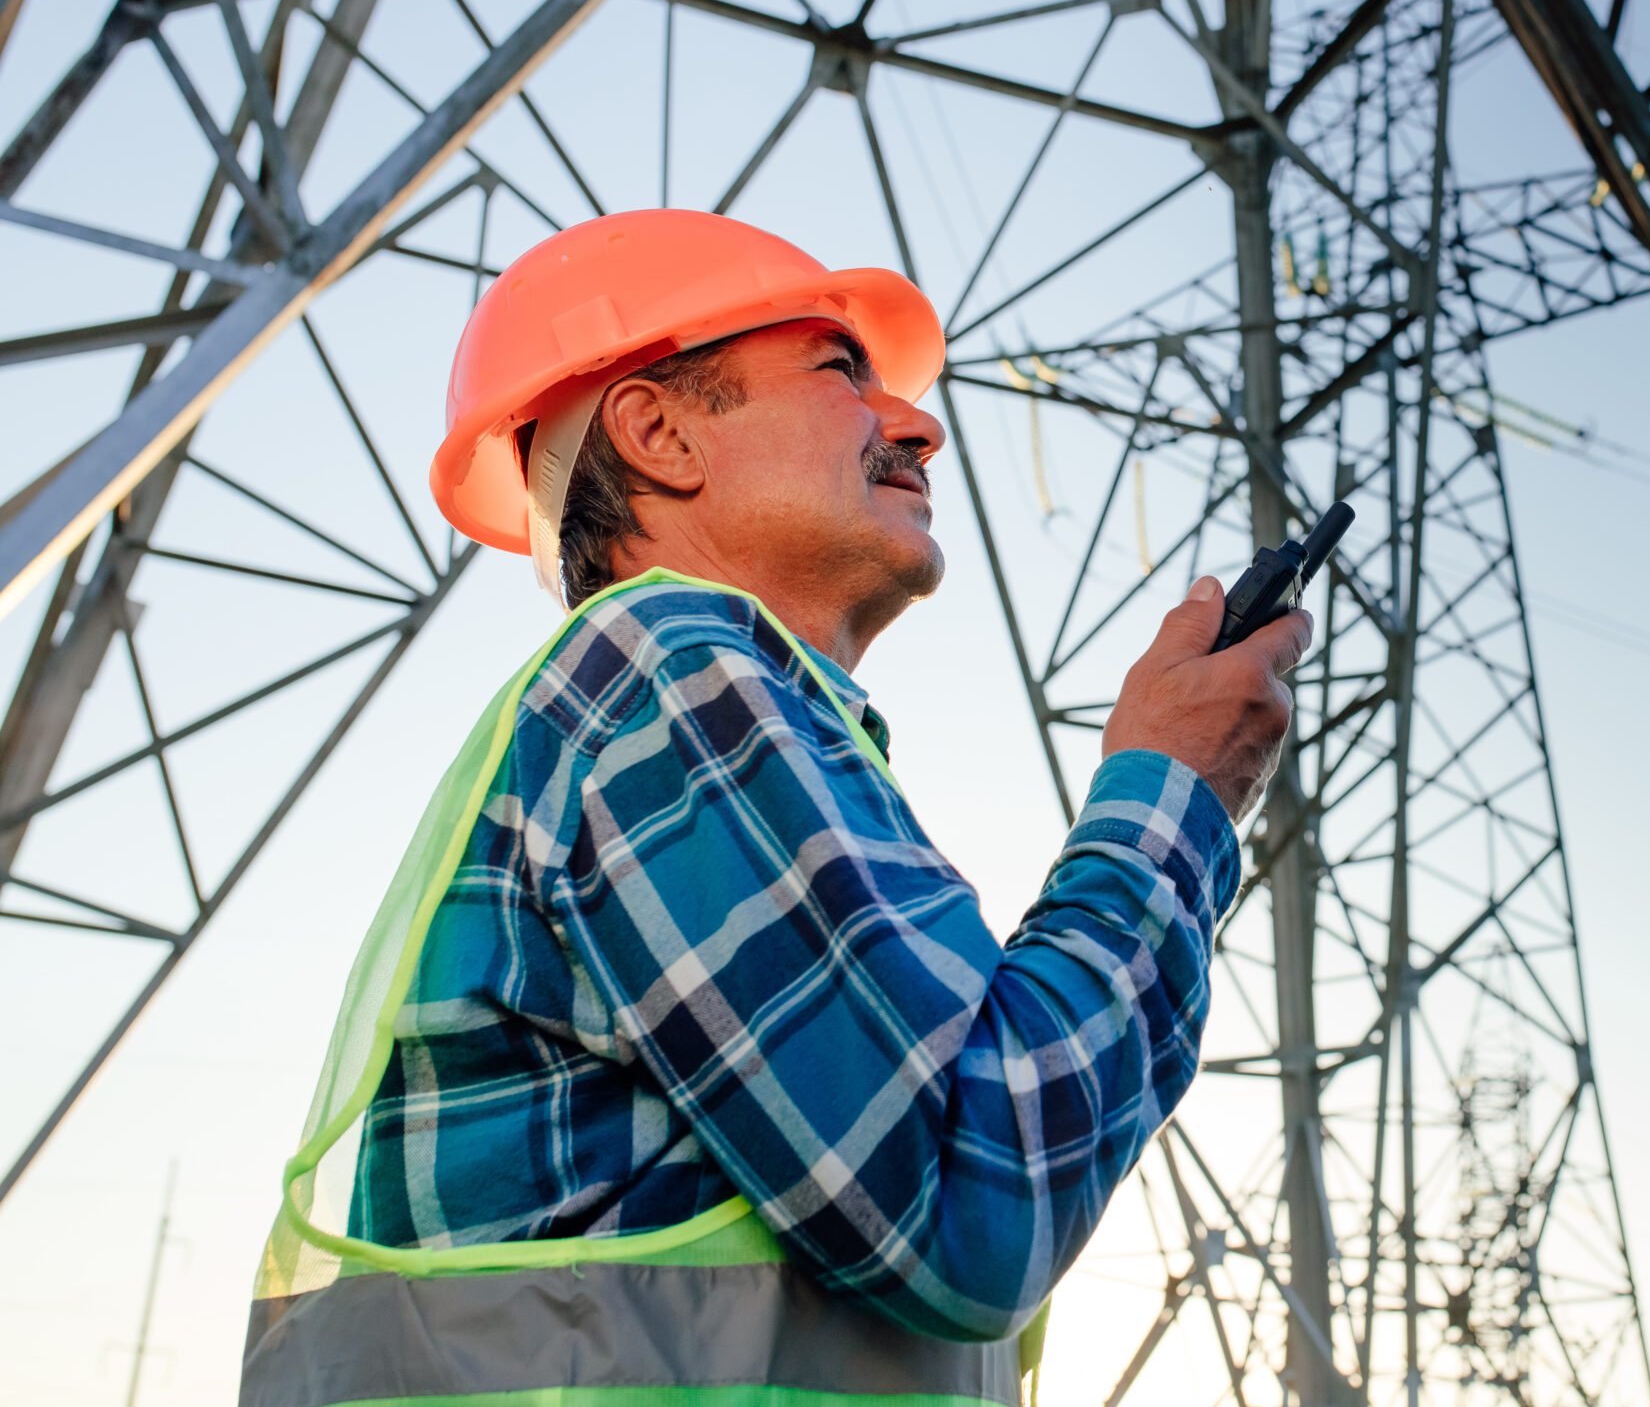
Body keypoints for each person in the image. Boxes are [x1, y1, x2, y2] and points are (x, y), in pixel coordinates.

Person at [239, 210, 1311, 1407]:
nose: (918, 424)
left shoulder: (698, 712)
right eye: (841, 370)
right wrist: (1173, 792)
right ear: (660, 433)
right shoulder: (669, 673)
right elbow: (974, 1206)